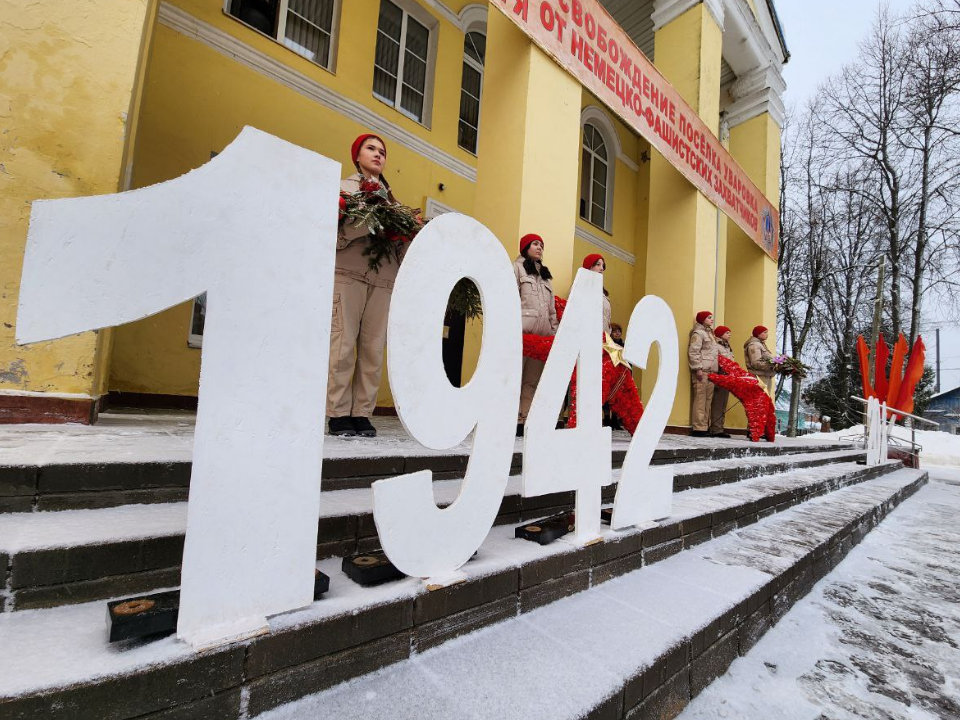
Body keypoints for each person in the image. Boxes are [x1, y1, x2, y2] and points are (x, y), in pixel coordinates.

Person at [326, 133, 405, 438]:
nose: (378, 154)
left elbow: (398, 248)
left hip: (384, 280)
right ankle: (337, 413)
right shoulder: (343, 192)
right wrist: (368, 219)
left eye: (382, 151)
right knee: (343, 345)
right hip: (349, 274)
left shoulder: (394, 202)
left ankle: (362, 413)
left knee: (373, 350)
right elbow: (332, 236)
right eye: (370, 149)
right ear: (356, 156)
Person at [516, 233, 558, 436]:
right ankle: (512, 418)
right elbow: (511, 298)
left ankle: (526, 419)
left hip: (542, 338)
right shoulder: (517, 268)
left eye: (542, 244)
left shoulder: (546, 276)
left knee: (532, 380)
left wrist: (554, 331)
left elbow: (551, 310)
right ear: (525, 247)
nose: (540, 247)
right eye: (535, 244)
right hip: (522, 334)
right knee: (515, 378)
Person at [687, 310, 718, 437]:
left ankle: (704, 426)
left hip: (711, 371)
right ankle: (698, 427)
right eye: (709, 317)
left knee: (708, 400)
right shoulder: (698, 333)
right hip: (702, 371)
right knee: (700, 399)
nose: (712, 319)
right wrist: (697, 368)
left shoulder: (710, 334)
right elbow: (694, 351)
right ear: (702, 319)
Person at [709, 325, 735, 438]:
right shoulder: (717, 346)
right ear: (720, 334)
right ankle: (716, 428)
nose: (729, 334)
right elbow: (717, 361)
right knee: (718, 403)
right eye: (727, 332)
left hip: (727, 377)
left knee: (723, 403)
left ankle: (720, 426)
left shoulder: (727, 347)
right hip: (720, 376)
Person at [582, 253, 611, 333]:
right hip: (587, 336)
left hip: (603, 339)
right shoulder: (580, 287)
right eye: (598, 265)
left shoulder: (603, 293)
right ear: (589, 266)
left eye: (602, 266)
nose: (601, 268)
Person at [745, 325, 775, 395]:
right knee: (760, 399)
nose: (767, 334)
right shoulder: (754, 345)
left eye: (767, 332)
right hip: (759, 377)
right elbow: (756, 363)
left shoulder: (761, 344)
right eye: (764, 332)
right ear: (758, 334)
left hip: (765, 375)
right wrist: (772, 366)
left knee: (766, 400)